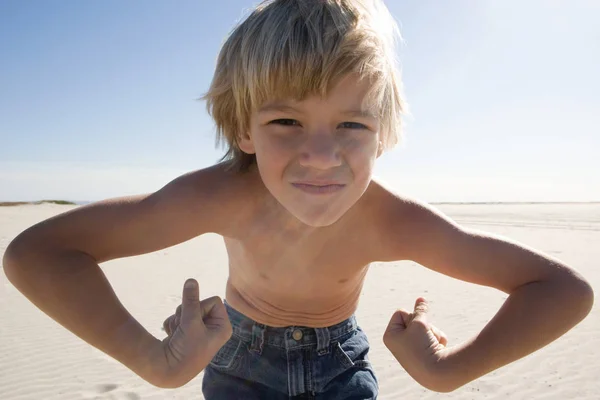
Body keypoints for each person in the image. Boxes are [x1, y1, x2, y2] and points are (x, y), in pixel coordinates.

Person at [3, 0, 593, 398]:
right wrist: (156, 362)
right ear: (243, 129)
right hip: (240, 364)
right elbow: (38, 254)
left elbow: (564, 290)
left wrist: (446, 372)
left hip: (344, 369)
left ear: (383, 134)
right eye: (286, 119)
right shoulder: (220, 196)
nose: (320, 155)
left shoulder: (392, 222)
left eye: (352, 125)